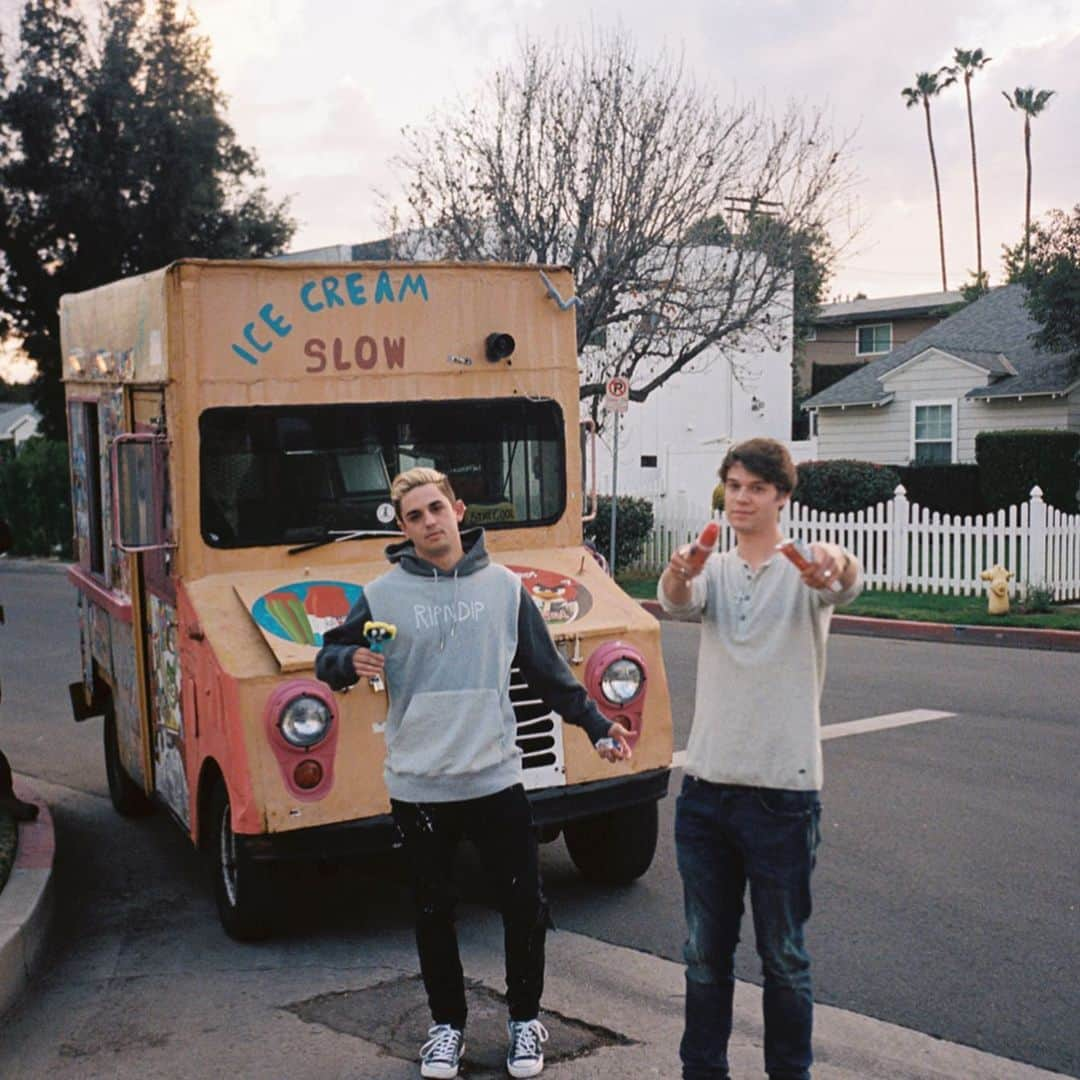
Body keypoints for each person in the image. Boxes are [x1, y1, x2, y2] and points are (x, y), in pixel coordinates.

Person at [316, 467, 631, 1080]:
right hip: (419, 784)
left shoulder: (505, 589)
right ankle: (446, 1027)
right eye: (414, 516)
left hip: (494, 779)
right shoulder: (382, 595)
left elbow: (546, 673)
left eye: (436, 508)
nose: (429, 522)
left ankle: (523, 1021)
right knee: (434, 911)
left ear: (458, 509)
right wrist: (346, 659)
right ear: (403, 528)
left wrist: (595, 724)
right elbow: (328, 659)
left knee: (524, 905)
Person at [657, 438, 862, 1080]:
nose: (742, 498)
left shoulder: (804, 568)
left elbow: (844, 582)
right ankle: (703, 1071)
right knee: (704, 956)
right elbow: (676, 601)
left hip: (783, 792)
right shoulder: (712, 567)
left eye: (755, 488)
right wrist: (682, 569)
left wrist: (837, 566)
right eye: (734, 486)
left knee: (785, 959)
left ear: (781, 495)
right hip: (707, 792)